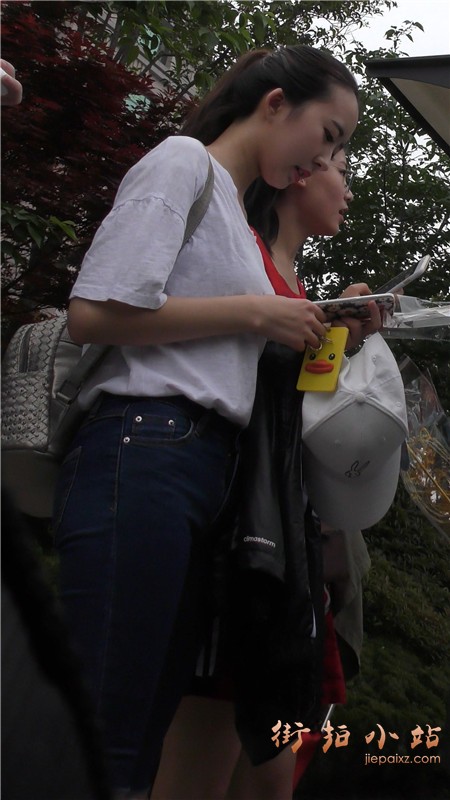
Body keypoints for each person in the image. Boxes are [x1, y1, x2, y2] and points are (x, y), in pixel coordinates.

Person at [53, 45, 360, 798]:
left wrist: (310, 328)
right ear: (276, 103)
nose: (325, 160)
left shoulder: (234, 212)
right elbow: (93, 313)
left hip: (203, 469)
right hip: (145, 442)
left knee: (142, 726)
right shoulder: (183, 162)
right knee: (111, 720)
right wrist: (257, 312)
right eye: (329, 135)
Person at [150, 149, 379, 800]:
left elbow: (295, 403)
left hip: (284, 546)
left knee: (270, 774)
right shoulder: (243, 258)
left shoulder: (293, 282)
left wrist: (344, 333)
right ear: (300, 174)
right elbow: (235, 388)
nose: (348, 191)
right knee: (200, 771)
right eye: (341, 165)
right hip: (240, 545)